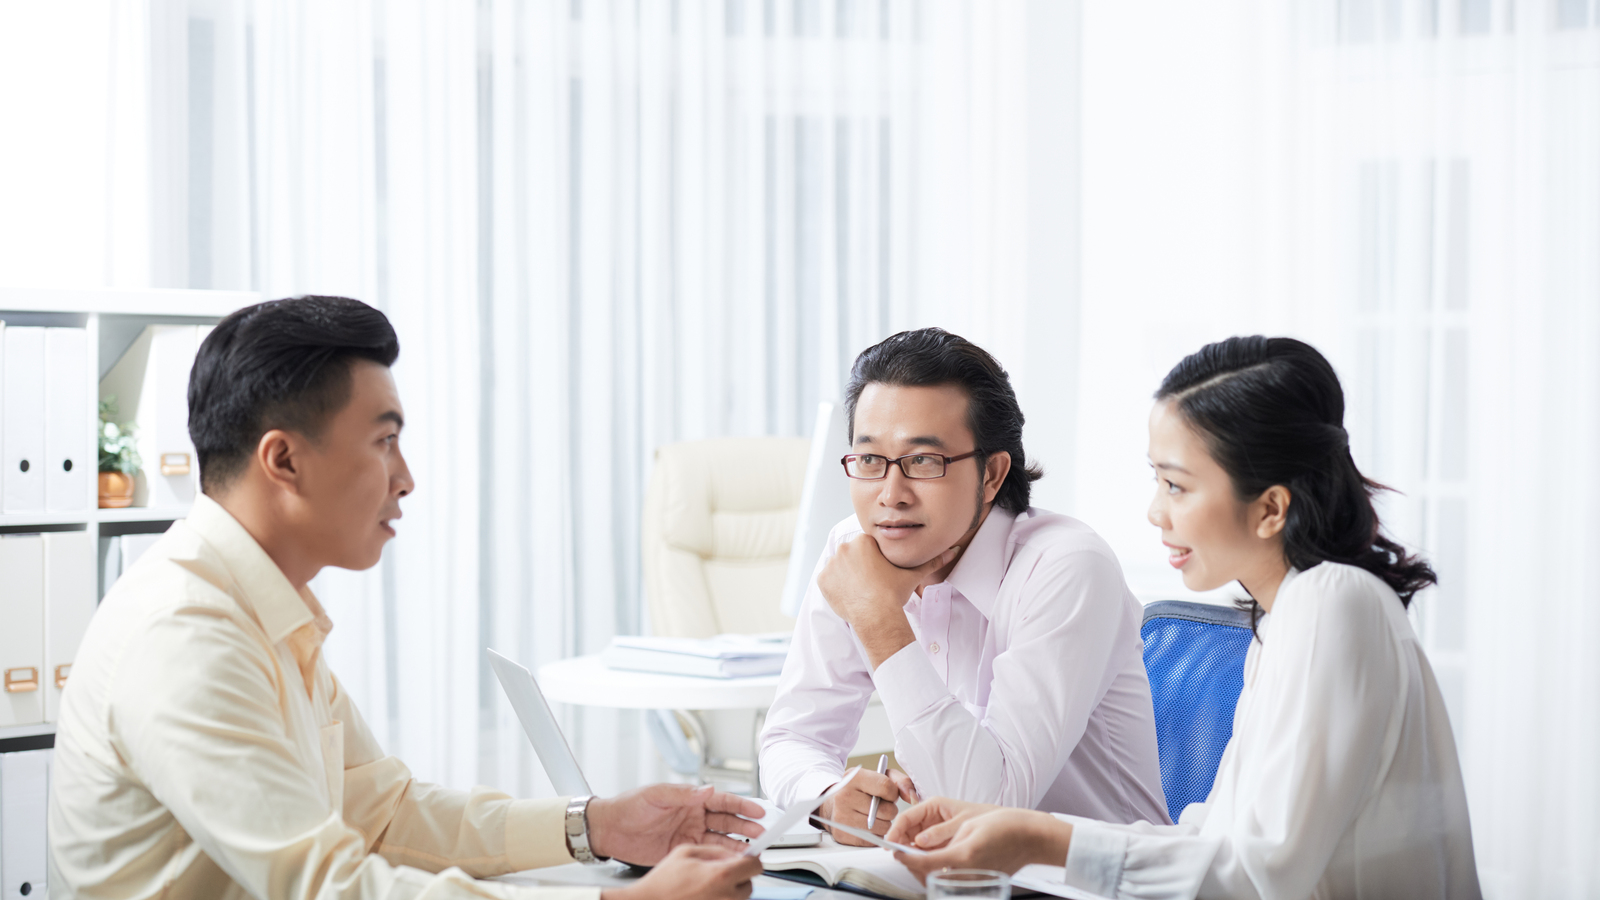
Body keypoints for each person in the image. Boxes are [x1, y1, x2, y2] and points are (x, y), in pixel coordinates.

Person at [48, 296, 764, 900]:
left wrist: (597, 825)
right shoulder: (186, 633)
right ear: (284, 460)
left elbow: (381, 815)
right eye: (384, 441)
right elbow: (331, 884)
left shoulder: (258, 605)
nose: (406, 478)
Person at [885, 336, 1481, 900]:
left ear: (1272, 507)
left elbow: (1254, 876)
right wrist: (1014, 831)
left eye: (1176, 485)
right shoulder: (1286, 618)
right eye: (1157, 480)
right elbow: (1215, 840)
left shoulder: (1333, 604)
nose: (1155, 513)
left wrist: (1039, 839)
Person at [759, 328, 1169, 847]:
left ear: (993, 474)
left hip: (1091, 886)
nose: (891, 495)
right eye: (869, 460)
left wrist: (878, 621)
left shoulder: (1065, 567)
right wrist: (825, 796)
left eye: (923, 462)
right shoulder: (854, 549)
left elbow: (989, 809)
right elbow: (790, 737)